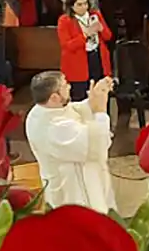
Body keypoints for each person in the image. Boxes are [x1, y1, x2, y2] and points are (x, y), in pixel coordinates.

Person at [25, 72, 116, 212]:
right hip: (73, 193)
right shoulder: (54, 128)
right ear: (54, 97)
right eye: (64, 85)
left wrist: (97, 95)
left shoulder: (45, 109)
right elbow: (98, 143)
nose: (69, 86)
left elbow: (75, 109)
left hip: (82, 181)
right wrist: (100, 112)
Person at [57, 0, 113, 101]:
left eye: (85, 3)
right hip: (78, 63)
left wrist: (101, 29)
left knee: (100, 94)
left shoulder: (95, 15)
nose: (84, 7)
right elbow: (67, 45)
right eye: (79, 4)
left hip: (97, 59)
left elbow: (108, 37)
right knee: (80, 97)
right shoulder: (64, 20)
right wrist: (85, 34)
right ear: (71, 6)